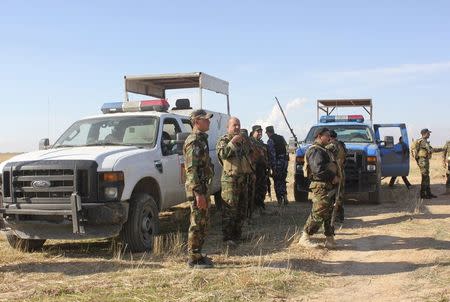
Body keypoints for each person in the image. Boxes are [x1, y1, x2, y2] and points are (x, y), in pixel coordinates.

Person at [183, 109, 215, 268]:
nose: (209, 121)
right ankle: (193, 258)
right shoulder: (194, 141)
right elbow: (191, 170)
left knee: (203, 222)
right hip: (197, 190)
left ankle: (198, 254)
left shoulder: (201, 140)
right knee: (197, 223)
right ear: (197, 121)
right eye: (206, 119)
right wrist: (198, 194)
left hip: (202, 187)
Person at [298, 127, 340, 249]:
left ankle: (329, 238)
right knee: (319, 211)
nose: (329, 138)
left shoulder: (324, 150)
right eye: (327, 135)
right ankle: (305, 237)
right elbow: (318, 170)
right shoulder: (315, 151)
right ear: (319, 136)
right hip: (320, 186)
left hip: (327, 185)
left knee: (328, 213)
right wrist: (332, 177)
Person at [216, 117, 253, 246]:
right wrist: (232, 142)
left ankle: (237, 235)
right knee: (229, 210)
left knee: (241, 209)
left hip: (242, 180)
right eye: (234, 125)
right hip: (230, 182)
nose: (237, 128)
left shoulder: (243, 142)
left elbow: (249, 156)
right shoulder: (224, 140)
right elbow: (223, 154)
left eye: (238, 125)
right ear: (228, 127)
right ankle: (227, 238)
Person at [326, 130, 347, 224]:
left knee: (332, 195)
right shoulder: (342, 145)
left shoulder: (331, 146)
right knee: (339, 195)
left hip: (334, 174)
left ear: (329, 137)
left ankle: (333, 217)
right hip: (341, 172)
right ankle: (340, 216)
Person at [266, 126, 289, 205]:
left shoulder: (270, 140)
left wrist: (273, 168)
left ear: (268, 133)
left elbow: (272, 155)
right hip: (285, 162)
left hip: (277, 162)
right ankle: (285, 197)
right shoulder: (281, 138)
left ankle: (279, 200)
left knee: (277, 181)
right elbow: (287, 149)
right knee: (283, 179)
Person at [250, 125, 269, 213]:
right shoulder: (250, 142)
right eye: (258, 132)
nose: (260, 133)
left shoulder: (261, 143)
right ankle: (254, 208)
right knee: (254, 189)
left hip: (262, 170)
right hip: (254, 170)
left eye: (261, 131)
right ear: (253, 132)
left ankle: (260, 205)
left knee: (263, 188)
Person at [414, 128, 436, 199]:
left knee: (427, 177)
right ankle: (423, 194)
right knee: (424, 177)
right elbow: (430, 149)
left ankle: (428, 193)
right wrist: (442, 149)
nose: (429, 134)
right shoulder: (423, 142)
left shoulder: (424, 141)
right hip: (423, 161)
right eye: (428, 133)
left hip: (424, 160)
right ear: (425, 134)